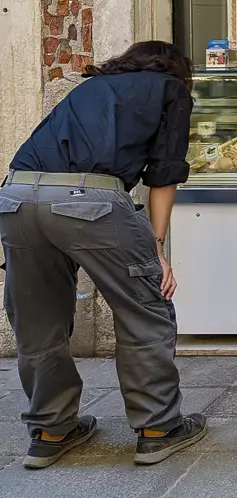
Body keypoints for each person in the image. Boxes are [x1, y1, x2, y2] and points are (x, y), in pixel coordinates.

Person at [0, 41, 207, 468]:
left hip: (16, 196)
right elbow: (164, 174)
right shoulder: (170, 89)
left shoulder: (92, 87)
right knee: (143, 308)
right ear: (176, 70)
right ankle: (157, 428)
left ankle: (51, 429)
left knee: (36, 318)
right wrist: (157, 246)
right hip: (89, 200)